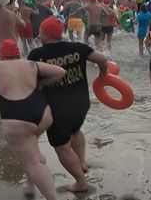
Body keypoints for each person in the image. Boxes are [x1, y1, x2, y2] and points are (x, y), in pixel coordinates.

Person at [28, 17, 108, 192]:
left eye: (40, 33)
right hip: (81, 103)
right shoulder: (78, 48)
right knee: (75, 131)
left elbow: (29, 82)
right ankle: (81, 163)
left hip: (56, 108)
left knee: (61, 146)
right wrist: (103, 76)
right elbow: (102, 59)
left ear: (47, 36)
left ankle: (81, 182)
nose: (38, 35)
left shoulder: (36, 55)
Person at [0, 39, 66, 200]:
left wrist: (0, 98)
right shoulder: (31, 64)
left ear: (1, 55)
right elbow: (60, 72)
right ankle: (29, 186)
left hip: (17, 118)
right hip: (43, 113)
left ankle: (52, 197)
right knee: (34, 154)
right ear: (18, 53)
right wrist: (40, 85)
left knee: (33, 163)